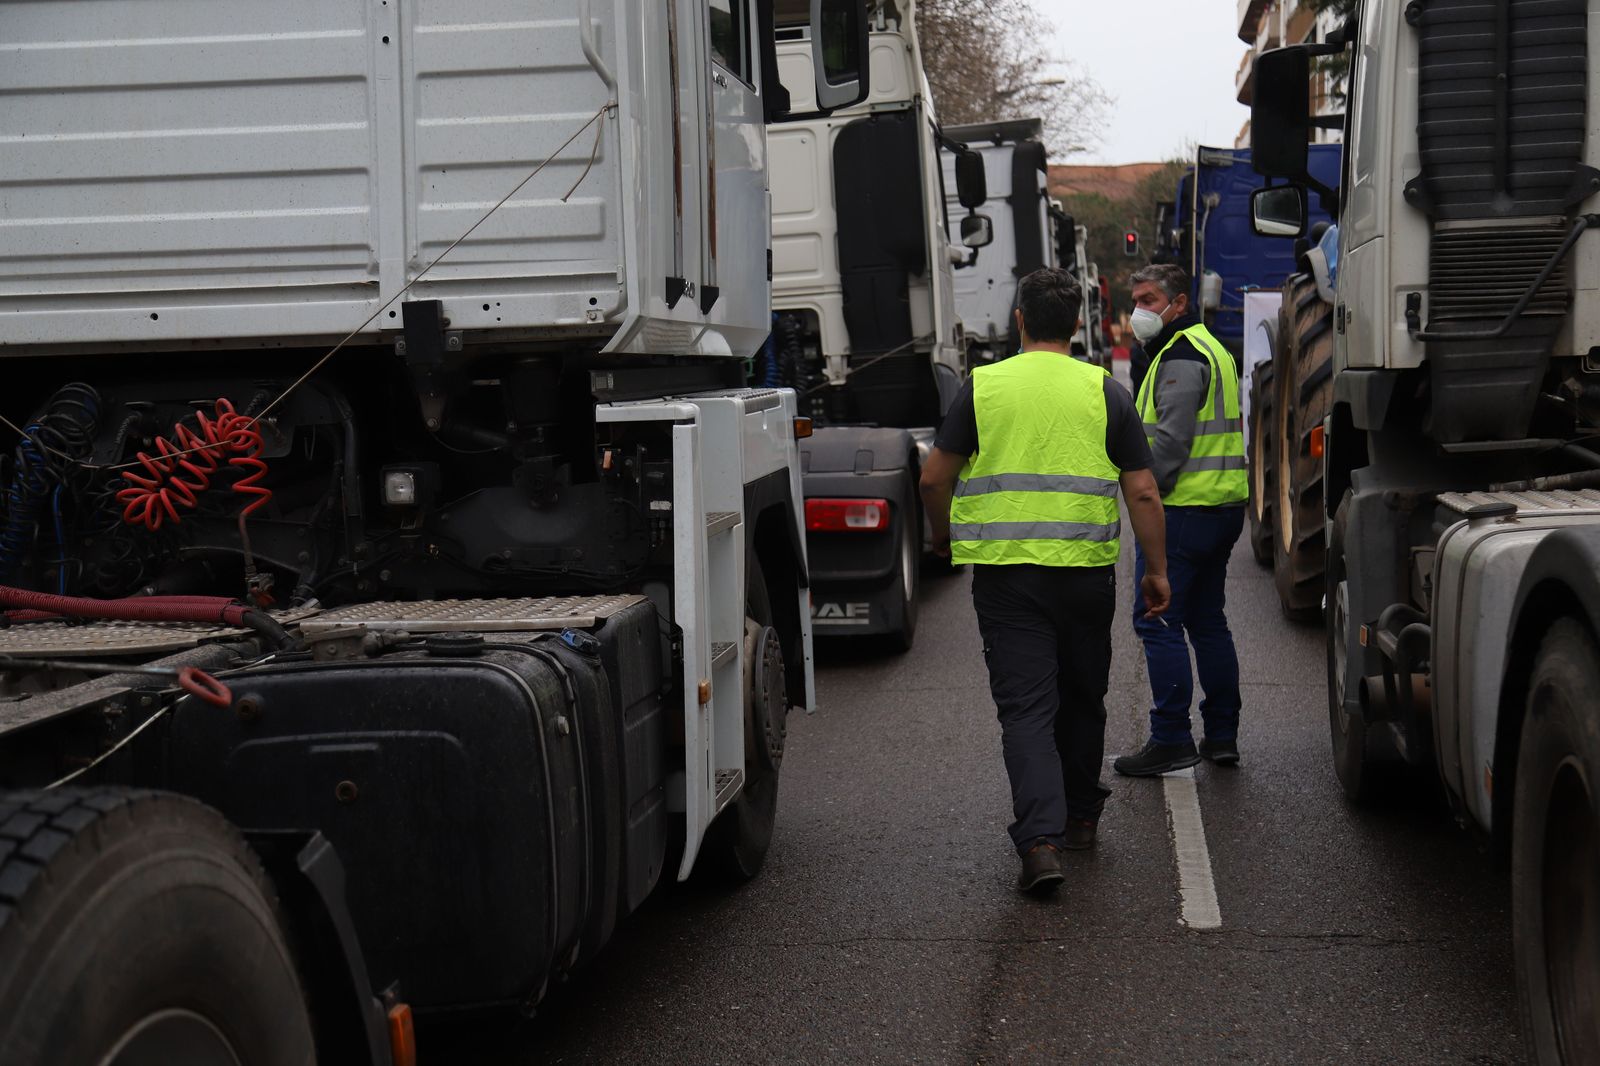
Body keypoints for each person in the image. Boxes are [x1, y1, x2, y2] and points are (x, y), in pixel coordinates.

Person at [920, 267, 1171, 895]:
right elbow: (1141, 489)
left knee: (1027, 710)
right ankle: (1082, 818)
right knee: (1083, 697)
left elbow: (932, 479)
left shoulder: (983, 387)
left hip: (1007, 580)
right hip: (1084, 575)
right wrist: (1157, 570)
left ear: (1019, 321)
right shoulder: (1103, 390)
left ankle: (1040, 843)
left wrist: (945, 536)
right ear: (1079, 324)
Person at [1112, 263, 1248, 778]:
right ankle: (1221, 734)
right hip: (1222, 506)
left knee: (1157, 618)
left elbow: (1169, 444)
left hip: (1184, 511)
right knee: (1207, 620)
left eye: (1149, 299)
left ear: (1179, 303)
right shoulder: (1212, 348)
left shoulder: (1182, 356)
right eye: (1137, 299)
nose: (1139, 311)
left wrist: (1143, 491)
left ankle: (1171, 737)